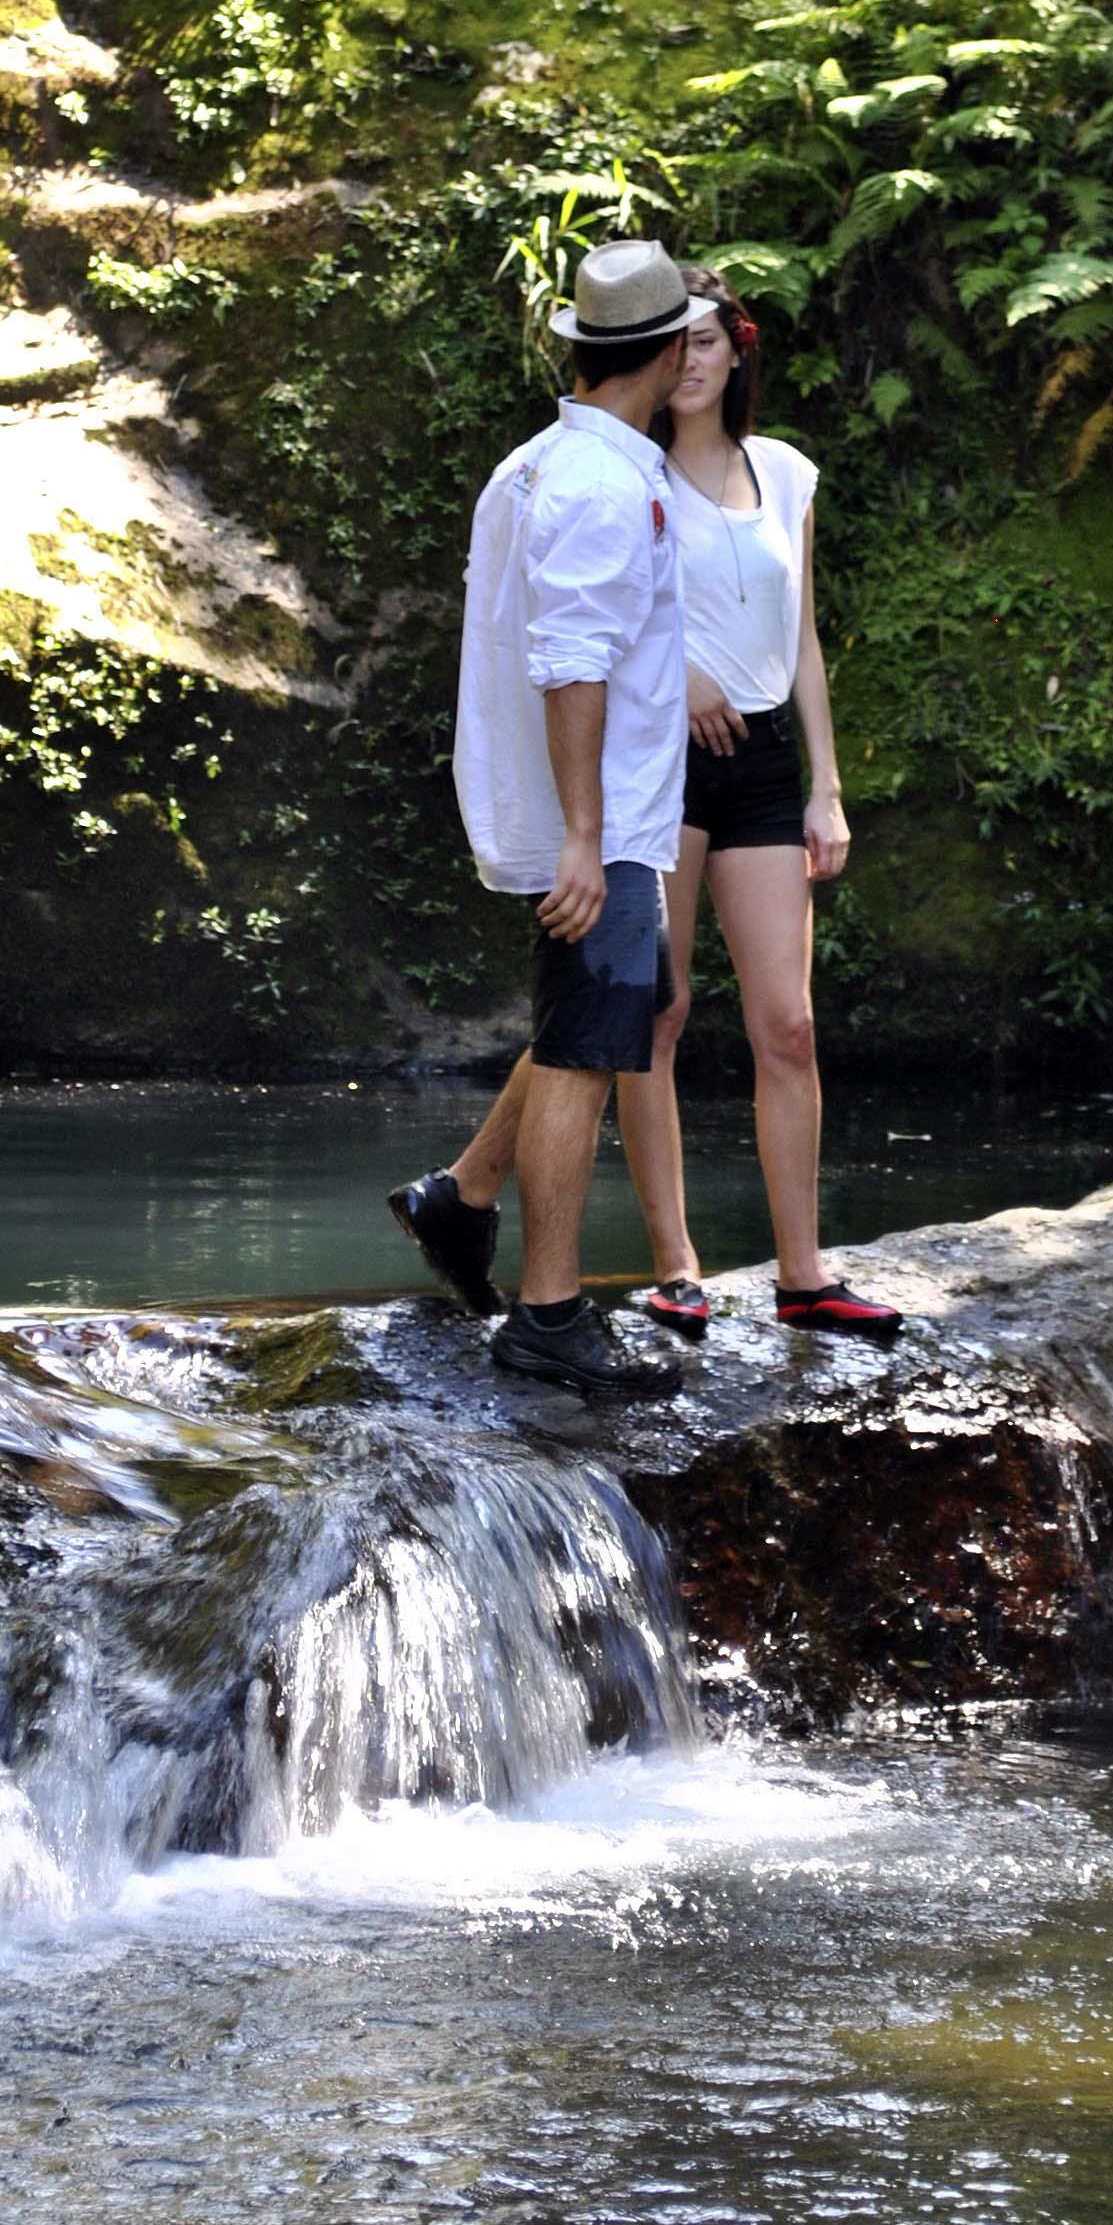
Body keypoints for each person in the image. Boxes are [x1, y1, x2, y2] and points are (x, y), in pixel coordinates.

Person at [386, 235, 712, 1402]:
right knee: (585, 1050)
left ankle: (461, 1198)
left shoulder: (541, 464)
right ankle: (551, 1313)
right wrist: (585, 834)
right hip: (605, 814)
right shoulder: (600, 483)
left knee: (619, 1008)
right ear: (673, 354)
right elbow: (571, 660)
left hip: (605, 805)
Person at [619, 265, 900, 1347]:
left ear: (737, 349)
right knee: (663, 1011)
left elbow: (804, 638)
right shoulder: (631, 475)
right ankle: (678, 1267)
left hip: (767, 761)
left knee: (787, 1021)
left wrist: (827, 786)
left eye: (703, 342)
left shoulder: (783, 472)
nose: (685, 361)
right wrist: (678, 671)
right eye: (669, 344)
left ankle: (803, 1272)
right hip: (667, 759)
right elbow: (605, 616)